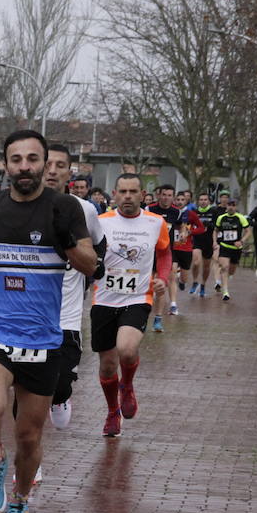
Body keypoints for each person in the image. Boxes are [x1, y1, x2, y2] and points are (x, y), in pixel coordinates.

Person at [0, 129, 95, 513]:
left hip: (42, 340)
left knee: (30, 436)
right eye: (16, 159)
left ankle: (18, 502)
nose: (25, 167)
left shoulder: (65, 208)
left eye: (32, 160)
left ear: (45, 164)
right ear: (5, 164)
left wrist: (66, 240)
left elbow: (90, 263)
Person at [93, 173, 171, 438]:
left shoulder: (155, 222)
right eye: (122, 191)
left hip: (138, 297)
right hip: (103, 299)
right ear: (114, 194)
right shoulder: (100, 222)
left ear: (142, 195)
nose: (127, 196)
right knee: (106, 366)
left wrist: (162, 278)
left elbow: (164, 253)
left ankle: (127, 385)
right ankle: (113, 411)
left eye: (133, 192)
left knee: (126, 351)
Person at [42, 143, 105, 432]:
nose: (52, 171)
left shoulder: (85, 209)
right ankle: (27, 461)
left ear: (70, 172)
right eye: (47, 164)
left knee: (60, 384)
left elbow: (99, 244)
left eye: (60, 165)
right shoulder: (18, 206)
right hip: (26, 315)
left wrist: (93, 268)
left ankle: (61, 398)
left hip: (65, 318)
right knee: (23, 390)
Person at [145, 183, 184, 329]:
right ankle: (143, 311)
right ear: (158, 195)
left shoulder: (177, 212)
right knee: (148, 283)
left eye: (169, 195)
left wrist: (182, 234)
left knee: (162, 282)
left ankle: (158, 318)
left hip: (166, 252)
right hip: (149, 252)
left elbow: (180, 226)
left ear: (173, 197)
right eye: (164, 195)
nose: (166, 198)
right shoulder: (150, 209)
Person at [213, 198, 251, 301]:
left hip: (236, 248)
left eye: (233, 205)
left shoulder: (241, 218)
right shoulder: (221, 218)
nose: (230, 207)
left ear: (236, 207)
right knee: (224, 267)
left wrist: (242, 241)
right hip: (224, 246)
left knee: (232, 270)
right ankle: (225, 292)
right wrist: (215, 242)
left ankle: (227, 278)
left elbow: (248, 231)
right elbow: (215, 231)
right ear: (227, 206)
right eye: (229, 205)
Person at [189, 191, 220, 296]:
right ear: (198, 201)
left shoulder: (214, 211)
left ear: (209, 201)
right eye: (201, 200)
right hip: (197, 240)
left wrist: (210, 225)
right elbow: (189, 225)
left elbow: (217, 227)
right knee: (196, 262)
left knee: (206, 267)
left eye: (205, 200)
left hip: (208, 241)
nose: (203, 202)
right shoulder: (194, 212)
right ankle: (194, 282)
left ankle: (203, 284)